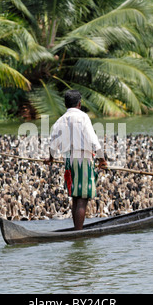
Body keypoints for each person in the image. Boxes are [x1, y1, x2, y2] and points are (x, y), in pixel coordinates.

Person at [45, 90, 107, 230]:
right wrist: (102, 159)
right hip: (83, 159)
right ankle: (78, 233)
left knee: (75, 197)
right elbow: (93, 140)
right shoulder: (83, 118)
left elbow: (53, 143)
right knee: (82, 198)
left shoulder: (60, 121)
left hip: (69, 160)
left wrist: (50, 158)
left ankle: (76, 230)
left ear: (65, 104)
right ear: (79, 104)